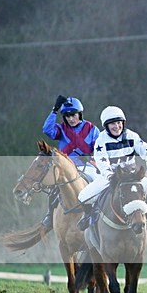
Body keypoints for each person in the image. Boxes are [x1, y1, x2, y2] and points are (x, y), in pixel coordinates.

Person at [76, 106, 147, 230]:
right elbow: (102, 161)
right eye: (112, 124)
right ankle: (88, 216)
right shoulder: (101, 140)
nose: (116, 126)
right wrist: (111, 177)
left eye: (119, 123)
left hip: (132, 177)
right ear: (106, 126)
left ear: (123, 123)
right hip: (110, 178)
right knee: (83, 196)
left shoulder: (132, 136)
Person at [39, 95, 99, 230]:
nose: (71, 119)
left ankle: (99, 213)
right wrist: (54, 110)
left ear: (80, 114)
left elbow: (100, 150)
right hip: (67, 167)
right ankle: (50, 215)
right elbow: (47, 130)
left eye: (73, 115)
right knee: (55, 187)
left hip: (88, 166)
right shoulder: (60, 129)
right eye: (67, 116)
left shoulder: (92, 129)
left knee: (98, 184)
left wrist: (90, 157)